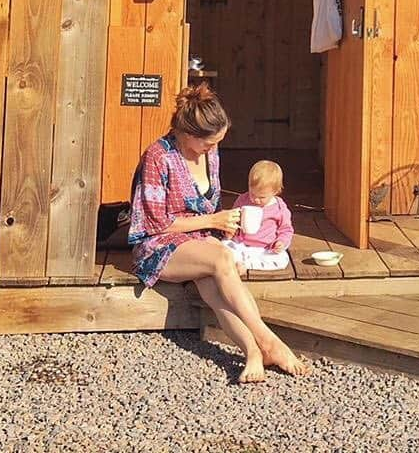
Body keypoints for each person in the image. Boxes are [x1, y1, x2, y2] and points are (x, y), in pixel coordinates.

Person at [128, 74, 307, 383]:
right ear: (186, 132)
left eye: (218, 143)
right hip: (157, 244)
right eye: (209, 142)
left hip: (195, 239)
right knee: (221, 262)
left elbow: (210, 206)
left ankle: (252, 351)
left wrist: (223, 228)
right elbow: (155, 222)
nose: (213, 148)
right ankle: (268, 340)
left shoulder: (210, 153)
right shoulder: (158, 156)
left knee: (215, 286)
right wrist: (213, 222)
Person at [223, 160, 294, 272]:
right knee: (224, 246)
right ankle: (238, 261)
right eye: (252, 194)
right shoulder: (242, 199)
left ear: (276, 191)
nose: (255, 199)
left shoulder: (279, 207)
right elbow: (234, 219)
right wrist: (230, 231)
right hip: (241, 244)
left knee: (282, 259)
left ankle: (246, 264)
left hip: (265, 248)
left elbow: (286, 230)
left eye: (262, 197)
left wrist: (281, 242)